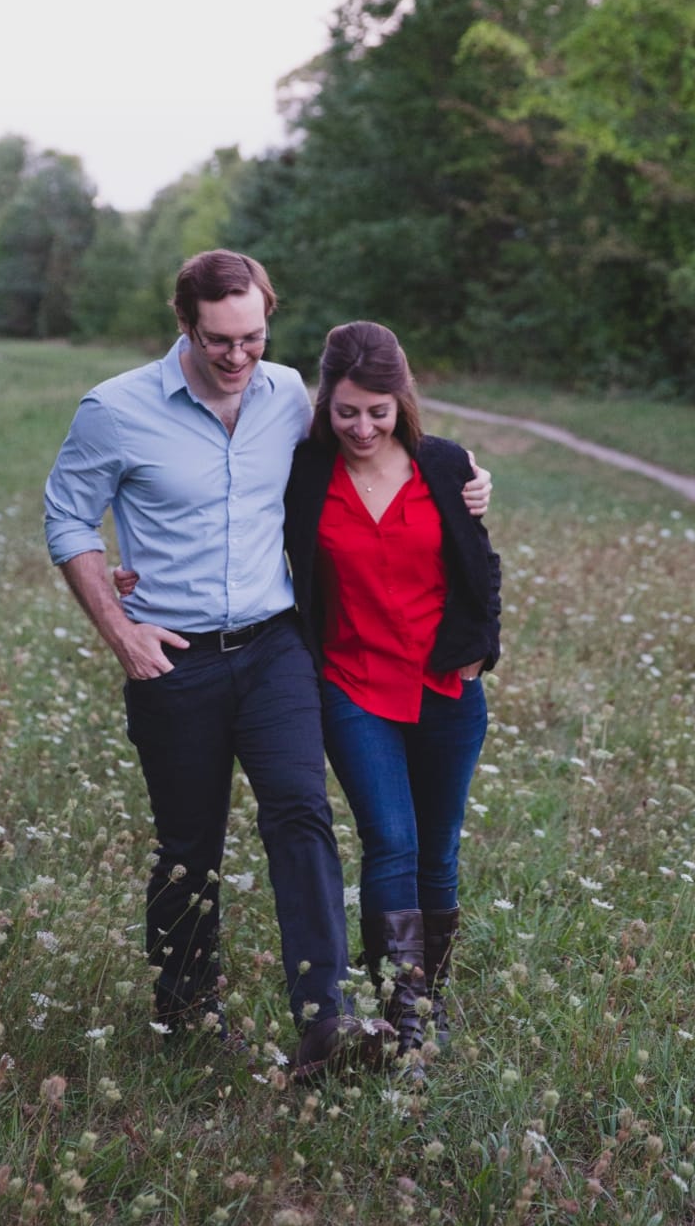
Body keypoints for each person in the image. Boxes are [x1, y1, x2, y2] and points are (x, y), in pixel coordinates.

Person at [42, 251, 489, 1081]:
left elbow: (379, 447)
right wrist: (118, 625)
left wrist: (462, 476)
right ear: (185, 324)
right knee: (190, 843)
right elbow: (67, 518)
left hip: (276, 644)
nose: (238, 356)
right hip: (171, 655)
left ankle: (327, 1022)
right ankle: (184, 1007)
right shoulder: (115, 410)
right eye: (220, 339)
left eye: (253, 336)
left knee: (301, 813)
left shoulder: (289, 394)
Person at [283, 321, 501, 1069]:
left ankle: (430, 999)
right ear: (326, 402)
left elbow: (482, 567)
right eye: (348, 411)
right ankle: (402, 1016)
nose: (363, 426)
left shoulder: (446, 466)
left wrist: (480, 653)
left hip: (444, 686)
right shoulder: (306, 472)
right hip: (353, 684)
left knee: (438, 853)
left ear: (401, 399)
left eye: (378, 410)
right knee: (391, 840)